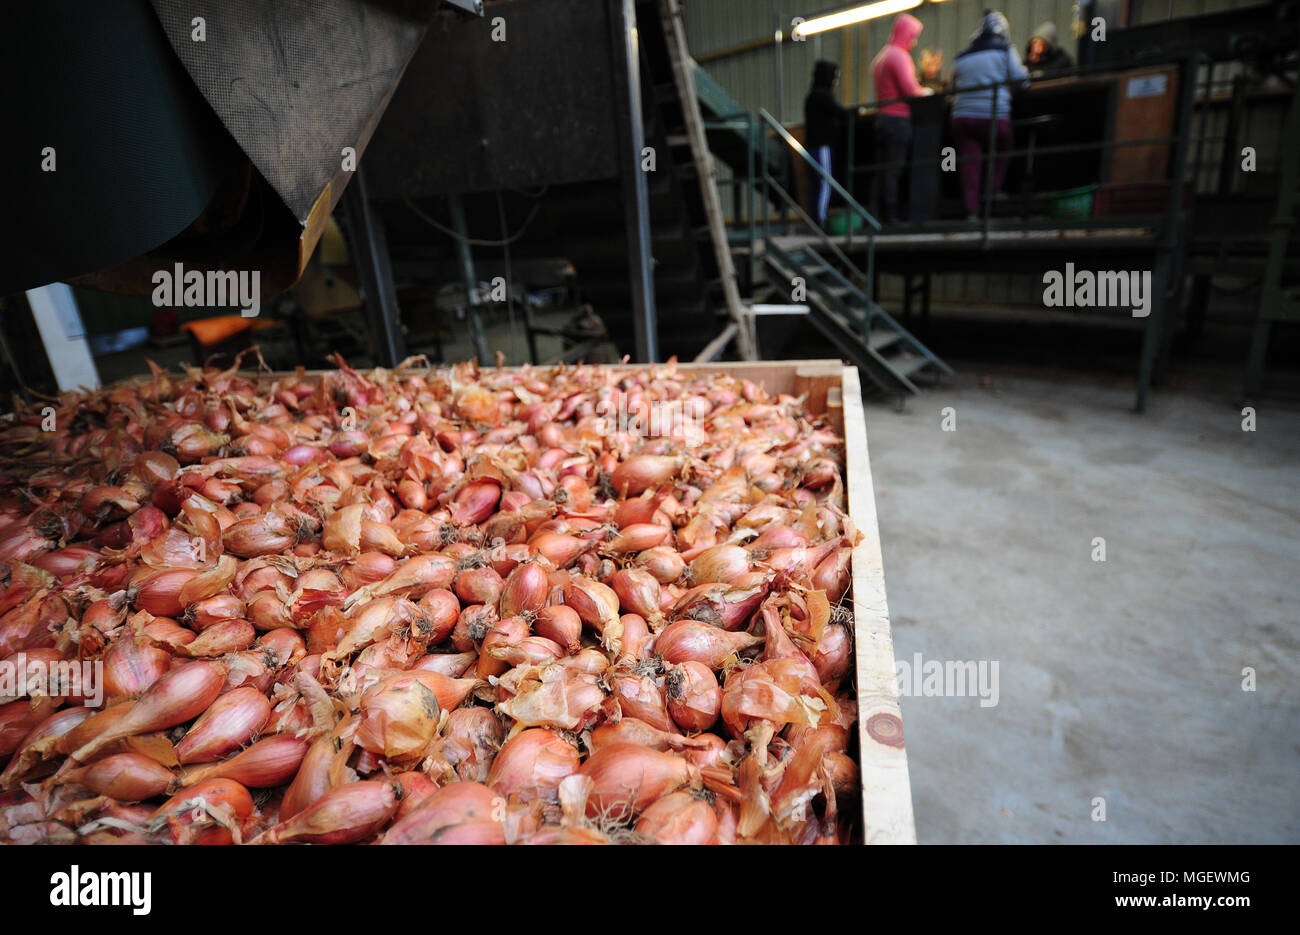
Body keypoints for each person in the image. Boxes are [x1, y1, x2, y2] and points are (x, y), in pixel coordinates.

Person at [950, 10, 1029, 220]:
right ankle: (993, 189)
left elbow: (952, 84)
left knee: (970, 163)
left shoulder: (962, 56)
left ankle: (971, 211)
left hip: (962, 117)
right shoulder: (1005, 49)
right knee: (1005, 144)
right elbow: (1020, 79)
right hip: (993, 116)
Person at [870, 13, 930, 224]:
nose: (913, 42)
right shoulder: (899, 56)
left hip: (882, 120)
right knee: (893, 170)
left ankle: (875, 215)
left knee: (881, 170)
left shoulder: (881, 56)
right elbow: (911, 90)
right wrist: (927, 91)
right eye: (913, 36)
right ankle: (891, 217)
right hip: (897, 121)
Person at [804, 60, 851, 230]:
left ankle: (815, 219)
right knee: (824, 183)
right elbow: (838, 111)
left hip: (814, 146)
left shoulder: (813, 95)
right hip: (821, 146)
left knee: (818, 184)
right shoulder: (821, 96)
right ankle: (820, 220)